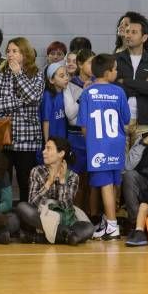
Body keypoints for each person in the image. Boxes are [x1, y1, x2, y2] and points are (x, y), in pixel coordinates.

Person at [0, 37, 44, 203]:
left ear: (24, 53)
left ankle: (26, 218)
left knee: (26, 181)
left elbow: (34, 97)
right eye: (8, 51)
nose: (10, 54)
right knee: (1, 181)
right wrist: (19, 101)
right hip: (1, 136)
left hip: (27, 139)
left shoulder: (36, 74)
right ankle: (3, 216)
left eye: (14, 51)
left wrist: (19, 75)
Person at [80, 54, 131, 241]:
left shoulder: (87, 93)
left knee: (106, 186)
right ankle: (108, 221)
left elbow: (84, 126)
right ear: (108, 72)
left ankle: (112, 225)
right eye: (115, 69)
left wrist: (92, 142)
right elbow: (126, 119)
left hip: (98, 144)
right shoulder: (119, 92)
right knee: (113, 184)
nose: (117, 72)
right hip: (116, 143)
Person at [16, 137, 94, 245]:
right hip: (44, 215)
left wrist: (62, 182)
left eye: (48, 149)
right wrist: (48, 183)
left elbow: (67, 206)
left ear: (61, 153)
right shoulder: (37, 171)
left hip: (64, 218)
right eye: (44, 148)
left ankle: (39, 238)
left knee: (89, 228)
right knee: (22, 207)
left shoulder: (73, 176)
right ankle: (66, 235)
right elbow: (32, 202)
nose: (44, 152)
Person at [115, 12, 148, 151]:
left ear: (144, 37)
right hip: (120, 120)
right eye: (127, 32)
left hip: (143, 123)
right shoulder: (116, 59)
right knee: (121, 164)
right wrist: (142, 84)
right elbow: (115, 88)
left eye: (134, 32)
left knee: (139, 164)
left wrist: (126, 81)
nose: (128, 35)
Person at [65, 49, 97, 215]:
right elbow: (71, 116)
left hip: (93, 137)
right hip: (75, 137)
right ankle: (75, 215)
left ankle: (92, 216)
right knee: (75, 179)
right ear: (79, 64)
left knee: (92, 180)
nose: (94, 66)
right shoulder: (70, 84)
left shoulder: (98, 83)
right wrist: (84, 92)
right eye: (90, 62)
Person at [41, 62, 70, 143]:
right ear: (51, 80)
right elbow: (46, 121)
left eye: (67, 74)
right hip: (52, 139)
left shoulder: (65, 93)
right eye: (62, 76)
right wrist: (47, 142)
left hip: (62, 138)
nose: (66, 78)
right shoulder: (48, 96)